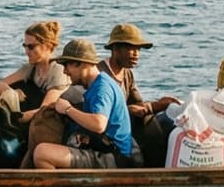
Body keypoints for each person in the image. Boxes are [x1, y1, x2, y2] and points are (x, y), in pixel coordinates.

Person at [32, 38, 136, 169]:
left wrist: (68, 109)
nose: (64, 71)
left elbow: (99, 125)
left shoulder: (101, 88)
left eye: (67, 65)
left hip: (113, 157)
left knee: (42, 153)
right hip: (103, 149)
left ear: (83, 64)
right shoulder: (96, 85)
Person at [101, 22, 177, 167]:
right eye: (131, 48)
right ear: (115, 49)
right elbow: (106, 113)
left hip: (123, 126)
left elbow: (137, 103)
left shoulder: (127, 73)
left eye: (138, 49)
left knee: (166, 123)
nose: (136, 54)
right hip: (107, 131)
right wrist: (149, 108)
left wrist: (160, 104)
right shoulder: (102, 75)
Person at [0, 19, 69, 112]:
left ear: (47, 46)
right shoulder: (31, 68)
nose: (26, 51)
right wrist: (11, 93)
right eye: (25, 46)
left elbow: (45, 108)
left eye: (31, 47)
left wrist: (20, 118)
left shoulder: (59, 70)